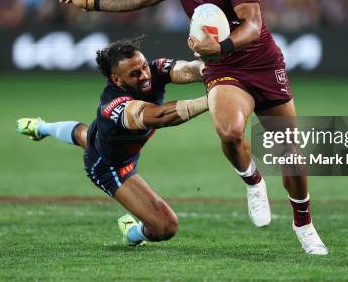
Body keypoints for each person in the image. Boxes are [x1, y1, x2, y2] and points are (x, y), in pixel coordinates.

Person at [58, 0, 327, 255]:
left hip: (260, 63)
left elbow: (253, 24)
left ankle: (303, 224)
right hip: (222, 67)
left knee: (288, 151)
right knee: (230, 132)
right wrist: (91, 3)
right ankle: (253, 179)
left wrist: (224, 45)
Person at [17, 37, 207, 246]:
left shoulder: (152, 71)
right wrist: (211, 100)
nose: (145, 76)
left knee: (83, 135)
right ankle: (132, 233)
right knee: (165, 226)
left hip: (106, 138)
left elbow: (188, 69)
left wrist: (216, 73)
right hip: (110, 166)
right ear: (117, 80)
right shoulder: (113, 103)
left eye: (144, 67)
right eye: (135, 74)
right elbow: (158, 117)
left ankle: (41, 128)